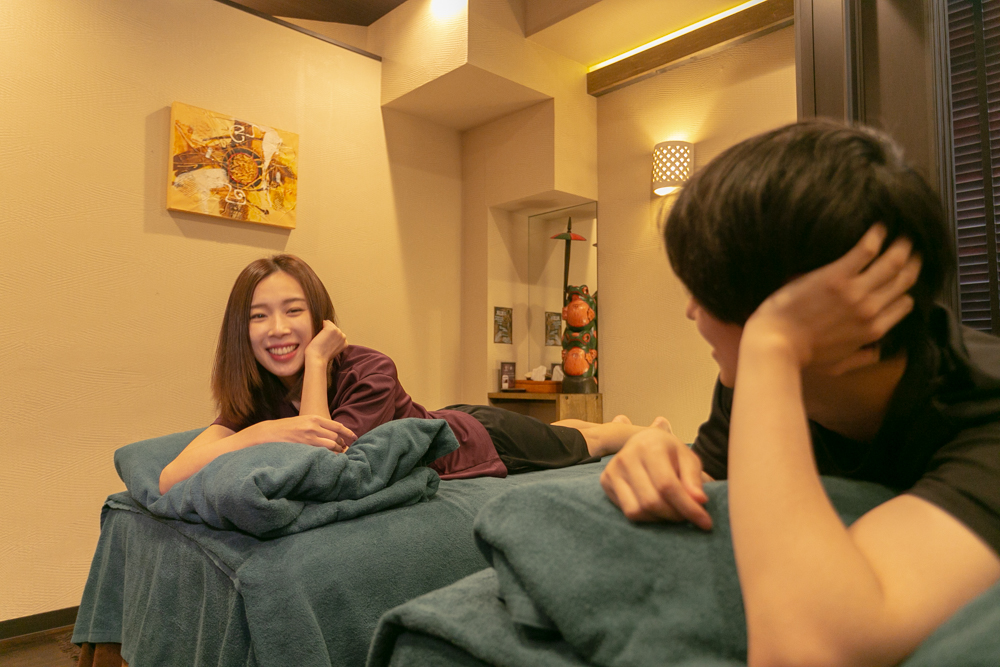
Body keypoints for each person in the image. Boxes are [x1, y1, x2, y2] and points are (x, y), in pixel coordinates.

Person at [600, 120, 1000, 667]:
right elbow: (712, 475)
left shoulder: (984, 415)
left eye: (704, 291)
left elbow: (805, 649)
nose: (691, 311)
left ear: (826, 307)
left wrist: (773, 344)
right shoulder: (754, 384)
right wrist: (657, 453)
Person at [159, 254, 650, 494]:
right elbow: (169, 478)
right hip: (446, 417)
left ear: (319, 317)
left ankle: (639, 432)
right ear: (239, 331)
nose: (279, 329)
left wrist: (317, 362)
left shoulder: (369, 368)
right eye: (258, 316)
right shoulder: (257, 394)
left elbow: (322, 463)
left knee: (584, 444)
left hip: (476, 439)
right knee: (560, 432)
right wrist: (257, 433)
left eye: (294, 310)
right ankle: (613, 426)